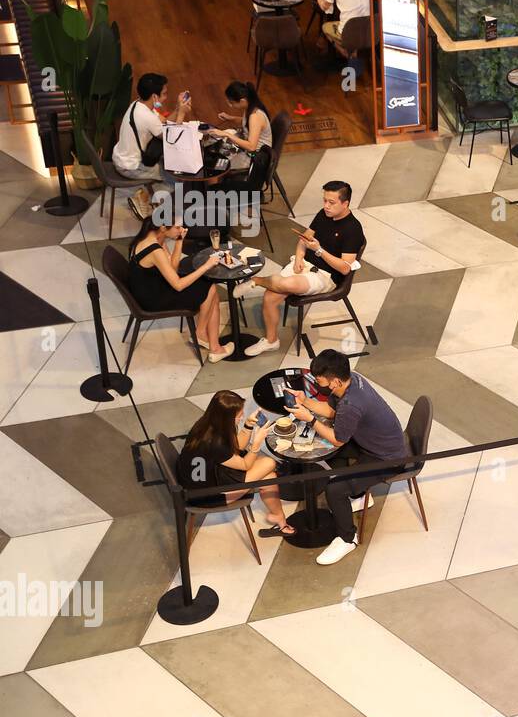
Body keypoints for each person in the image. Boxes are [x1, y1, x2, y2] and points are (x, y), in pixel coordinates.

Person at [283, 349, 410, 565]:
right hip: (372, 443)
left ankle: (347, 538)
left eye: (320, 380)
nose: (317, 383)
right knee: (332, 459)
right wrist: (305, 402)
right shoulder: (353, 380)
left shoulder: (352, 404)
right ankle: (359, 494)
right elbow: (332, 411)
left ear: (335, 382)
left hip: (387, 458)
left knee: (334, 488)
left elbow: (337, 439)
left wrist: (310, 420)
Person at [232, 180, 364, 356]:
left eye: (331, 202)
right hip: (305, 266)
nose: (326, 206)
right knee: (270, 297)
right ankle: (272, 341)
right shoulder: (323, 214)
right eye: (324, 200)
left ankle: (257, 280)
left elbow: (345, 269)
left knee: (289, 284)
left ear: (345, 203)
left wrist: (318, 250)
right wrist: (299, 257)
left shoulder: (353, 229)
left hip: (326, 276)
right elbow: (304, 239)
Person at [179, 390, 296, 536]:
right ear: (226, 417)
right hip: (207, 495)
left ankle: (279, 519)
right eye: (239, 415)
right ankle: (279, 518)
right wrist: (256, 444)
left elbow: (236, 447)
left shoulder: (206, 425)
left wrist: (248, 426)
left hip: (205, 477)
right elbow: (245, 465)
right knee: (268, 463)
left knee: (269, 476)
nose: (241, 417)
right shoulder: (215, 443)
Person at [126, 218, 230, 362]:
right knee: (210, 288)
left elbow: (173, 269)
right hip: (152, 300)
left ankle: (213, 345)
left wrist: (179, 241)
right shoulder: (154, 248)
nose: (181, 230)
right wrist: (206, 266)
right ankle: (202, 335)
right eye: (177, 227)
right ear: (163, 227)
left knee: (209, 289)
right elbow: (178, 285)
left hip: (150, 289)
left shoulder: (151, 237)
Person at [112, 73, 192, 202]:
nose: (166, 97)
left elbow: (164, 122)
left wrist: (178, 109)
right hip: (131, 166)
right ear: (154, 96)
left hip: (122, 158)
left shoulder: (138, 104)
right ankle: (144, 200)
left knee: (168, 166)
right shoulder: (146, 116)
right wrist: (182, 113)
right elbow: (173, 140)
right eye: (165, 93)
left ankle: (150, 194)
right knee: (177, 178)